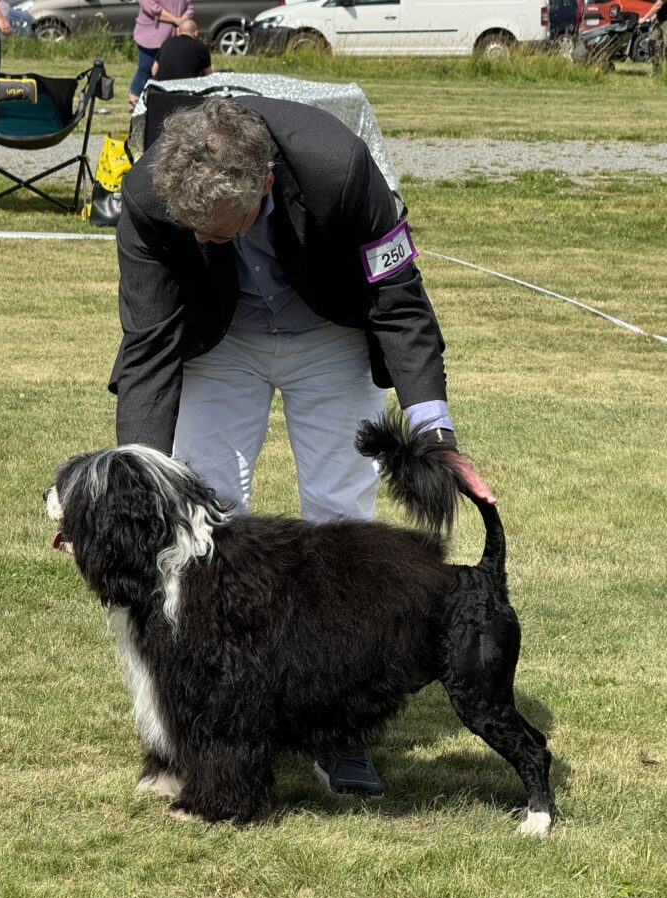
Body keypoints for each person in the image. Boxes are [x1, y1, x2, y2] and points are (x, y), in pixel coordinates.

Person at [111, 97, 496, 798]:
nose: (198, 243)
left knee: (339, 515)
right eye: (190, 229)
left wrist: (436, 436)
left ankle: (338, 731)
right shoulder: (148, 195)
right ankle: (194, 728)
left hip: (331, 336)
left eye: (216, 232)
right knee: (203, 526)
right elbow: (148, 345)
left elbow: (400, 300)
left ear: (263, 185)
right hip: (218, 344)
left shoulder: (340, 168)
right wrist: (135, 482)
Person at [128, 0, 192, 111]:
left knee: (168, 71)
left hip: (173, 37)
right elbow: (152, 8)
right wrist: (177, 20)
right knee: (145, 68)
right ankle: (134, 100)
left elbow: (189, 7)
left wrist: (183, 19)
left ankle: (161, 100)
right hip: (150, 34)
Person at [639, 0, 666, 69]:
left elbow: (658, 5)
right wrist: (655, 14)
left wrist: (645, 17)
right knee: (652, 44)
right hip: (660, 20)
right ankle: (657, 71)